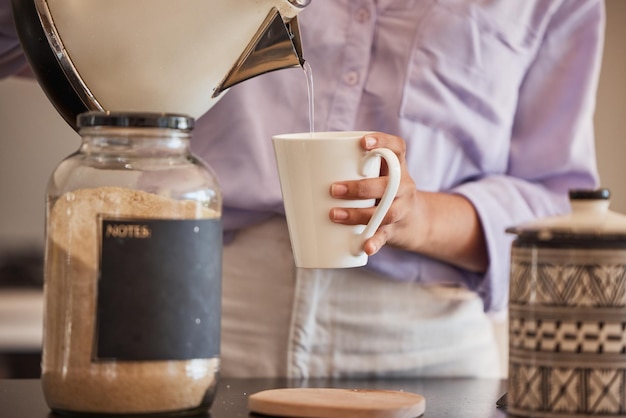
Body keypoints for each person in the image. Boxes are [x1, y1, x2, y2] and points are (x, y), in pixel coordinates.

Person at [0, 0, 605, 378]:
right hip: (180, 304)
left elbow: (556, 205)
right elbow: (36, 33)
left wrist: (416, 217)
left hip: (420, 346)